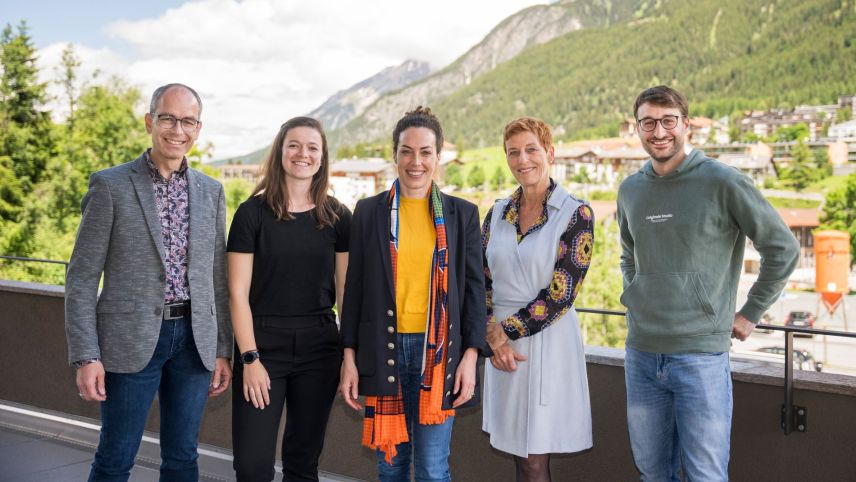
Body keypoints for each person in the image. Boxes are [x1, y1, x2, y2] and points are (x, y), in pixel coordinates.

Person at [617, 85, 800, 481]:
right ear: (638, 129)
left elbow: (783, 249)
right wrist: (638, 294)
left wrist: (752, 311)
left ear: (686, 126)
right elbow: (629, 254)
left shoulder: (722, 182)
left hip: (701, 356)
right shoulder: (630, 190)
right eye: (648, 122)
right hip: (642, 353)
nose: (659, 131)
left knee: (705, 476)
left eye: (668, 121)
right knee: (652, 474)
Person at [65, 83, 233, 481]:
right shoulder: (110, 185)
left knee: (182, 458)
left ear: (198, 128)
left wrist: (222, 348)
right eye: (168, 119)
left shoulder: (211, 192)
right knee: (116, 457)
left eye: (187, 121)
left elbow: (217, 278)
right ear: (149, 122)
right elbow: (82, 276)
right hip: (129, 339)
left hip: (194, 341)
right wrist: (87, 355)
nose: (178, 130)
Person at [338, 106, 487, 482]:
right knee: (390, 467)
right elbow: (353, 291)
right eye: (407, 151)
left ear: (438, 157)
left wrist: (470, 356)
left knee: (433, 470)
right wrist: (349, 357)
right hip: (382, 351)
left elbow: (474, 292)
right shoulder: (368, 212)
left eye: (425, 152)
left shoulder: (462, 215)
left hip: (438, 357)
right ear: (395, 155)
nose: (415, 161)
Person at [227, 117, 350, 482]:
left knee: (302, 463)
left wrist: (349, 355)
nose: (303, 154)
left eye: (313, 147)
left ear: (322, 157)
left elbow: (345, 293)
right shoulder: (252, 214)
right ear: (280, 152)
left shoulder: (339, 216)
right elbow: (237, 292)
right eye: (294, 145)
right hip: (262, 346)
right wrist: (249, 358)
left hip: (320, 349)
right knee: (252, 466)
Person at [482, 117, 594, 482]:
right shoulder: (496, 212)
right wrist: (490, 330)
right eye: (513, 152)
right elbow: (479, 279)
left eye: (531, 149)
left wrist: (504, 332)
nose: (522, 159)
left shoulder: (576, 213)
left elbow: (561, 294)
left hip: (546, 343)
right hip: (500, 344)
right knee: (518, 451)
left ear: (549, 152)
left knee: (533, 458)